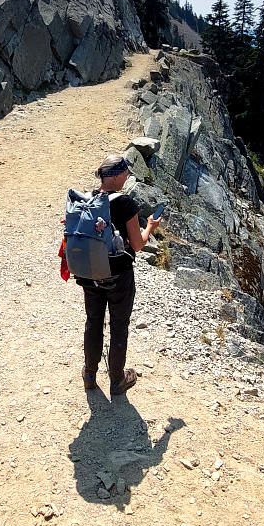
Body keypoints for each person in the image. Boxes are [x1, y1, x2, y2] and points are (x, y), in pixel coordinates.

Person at [78, 154, 162, 396]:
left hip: (90, 273)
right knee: (118, 325)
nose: (127, 177)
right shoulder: (125, 204)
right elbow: (136, 245)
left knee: (93, 321)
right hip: (118, 276)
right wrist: (150, 227)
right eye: (125, 172)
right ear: (114, 175)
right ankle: (117, 380)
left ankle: (90, 375)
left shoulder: (87, 199)